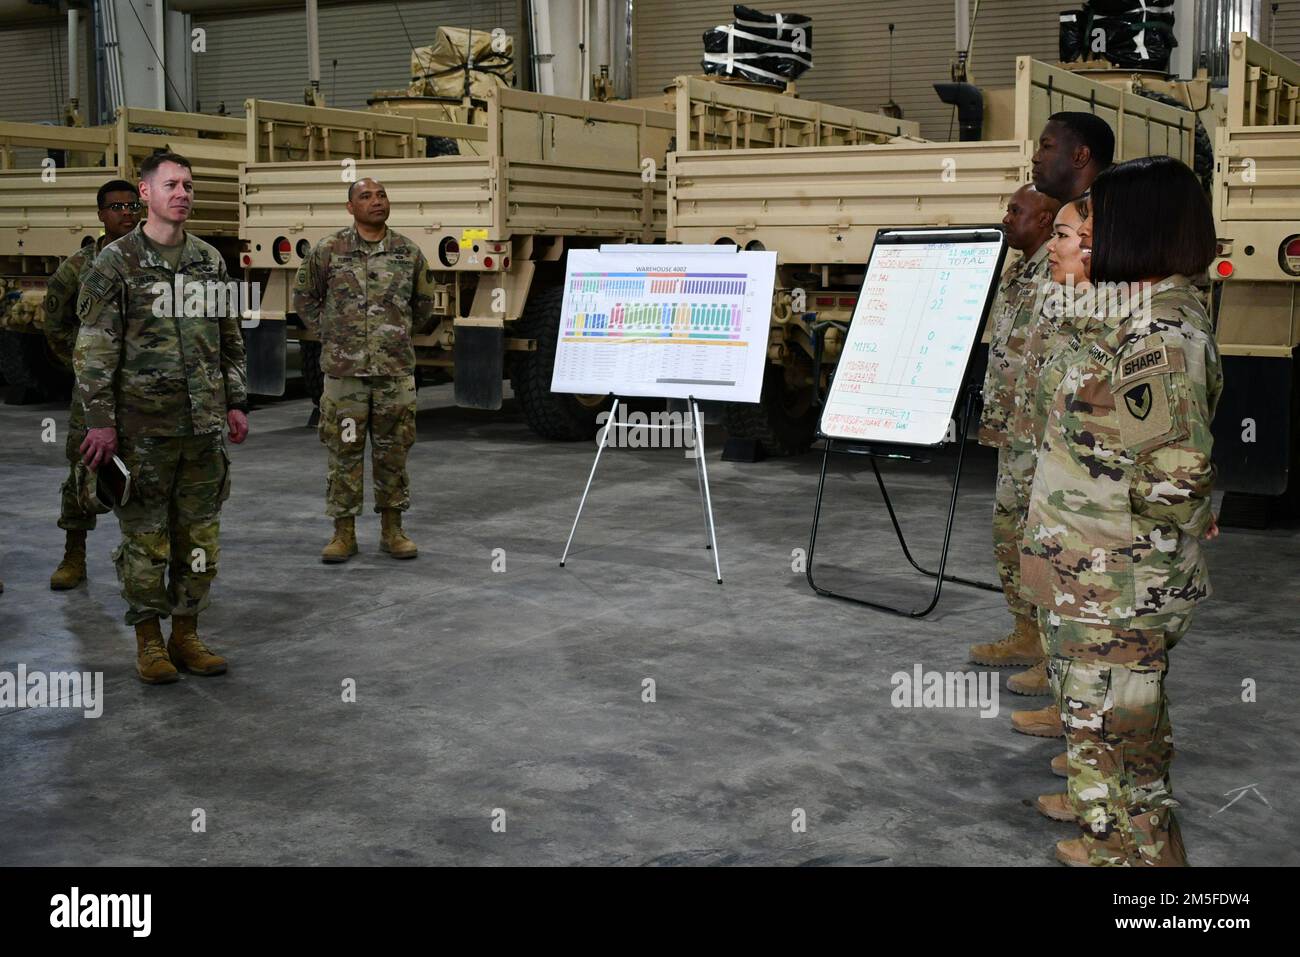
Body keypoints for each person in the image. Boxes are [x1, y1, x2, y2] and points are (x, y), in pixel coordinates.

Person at [1019, 155, 1221, 866]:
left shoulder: (1158, 337)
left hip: (1119, 585)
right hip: (1096, 574)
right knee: (1107, 729)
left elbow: (1174, 480)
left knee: (1121, 743)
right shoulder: (1136, 314)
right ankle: (1116, 838)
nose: (1087, 237)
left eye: (1103, 219)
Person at [75, 151, 249, 685]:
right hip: (141, 431)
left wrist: (236, 400)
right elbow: (94, 347)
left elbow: (228, 336)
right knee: (145, 541)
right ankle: (149, 641)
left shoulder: (209, 261)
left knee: (199, 540)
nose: (183, 193)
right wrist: (100, 421)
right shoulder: (115, 263)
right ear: (145, 194)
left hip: (202, 430)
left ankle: (187, 634)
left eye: (189, 185)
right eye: (171, 184)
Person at [1002, 112, 1115, 714]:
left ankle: (1078, 698)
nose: (1036, 156)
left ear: (1080, 155)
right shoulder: (1068, 232)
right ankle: (1055, 667)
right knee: (1035, 551)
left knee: (1079, 576)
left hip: (1080, 440)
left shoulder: (1106, 224)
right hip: (1043, 425)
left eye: (1047, 146)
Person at [292, 177, 436, 563]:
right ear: (350, 207)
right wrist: (331, 332)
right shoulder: (328, 250)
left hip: (393, 374)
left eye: (382, 195)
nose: (376, 201)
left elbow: (424, 305)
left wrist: (396, 334)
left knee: (393, 453)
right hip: (345, 377)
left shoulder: (408, 252)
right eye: (366, 196)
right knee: (344, 453)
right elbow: (304, 296)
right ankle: (343, 534)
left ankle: (393, 531)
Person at [969, 185, 1060, 679]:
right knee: (1008, 531)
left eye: (1016, 211)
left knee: (1041, 540)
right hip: (1012, 430)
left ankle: (1056, 652)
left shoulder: (1063, 273)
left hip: (1043, 434)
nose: (1006, 218)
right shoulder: (1019, 270)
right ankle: (1026, 632)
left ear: (1045, 221)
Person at [43, 179, 141, 590]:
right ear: (100, 215)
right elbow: (54, 318)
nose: (126, 213)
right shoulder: (80, 266)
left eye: (132, 206)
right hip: (92, 392)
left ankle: (142, 562)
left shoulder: (153, 261)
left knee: (144, 473)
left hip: (143, 391)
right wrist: (82, 365)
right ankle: (74, 555)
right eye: (116, 207)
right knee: (81, 469)